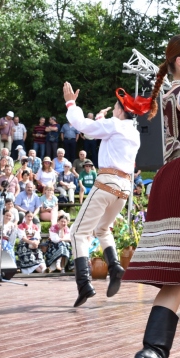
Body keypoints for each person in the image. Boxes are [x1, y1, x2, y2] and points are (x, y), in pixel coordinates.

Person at [62, 81, 141, 308]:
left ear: (120, 110)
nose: (114, 108)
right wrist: (100, 121)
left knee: (78, 232)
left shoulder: (115, 124)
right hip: (123, 189)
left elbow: (80, 124)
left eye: (116, 106)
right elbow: (105, 137)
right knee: (102, 229)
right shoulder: (133, 133)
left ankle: (84, 283)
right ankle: (115, 266)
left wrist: (71, 103)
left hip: (107, 183)